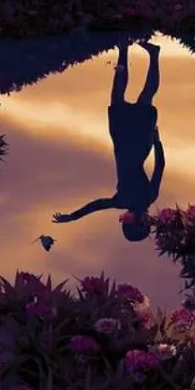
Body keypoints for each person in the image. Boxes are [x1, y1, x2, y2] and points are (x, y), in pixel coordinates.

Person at [52, 36, 165, 241]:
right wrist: (73, 216)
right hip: (126, 145)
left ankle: (149, 54)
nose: (122, 219)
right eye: (125, 223)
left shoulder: (148, 198)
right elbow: (97, 205)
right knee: (120, 97)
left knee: (144, 98)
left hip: (139, 146)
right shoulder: (123, 200)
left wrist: (156, 141)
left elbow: (160, 166)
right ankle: (126, 49)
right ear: (132, 222)